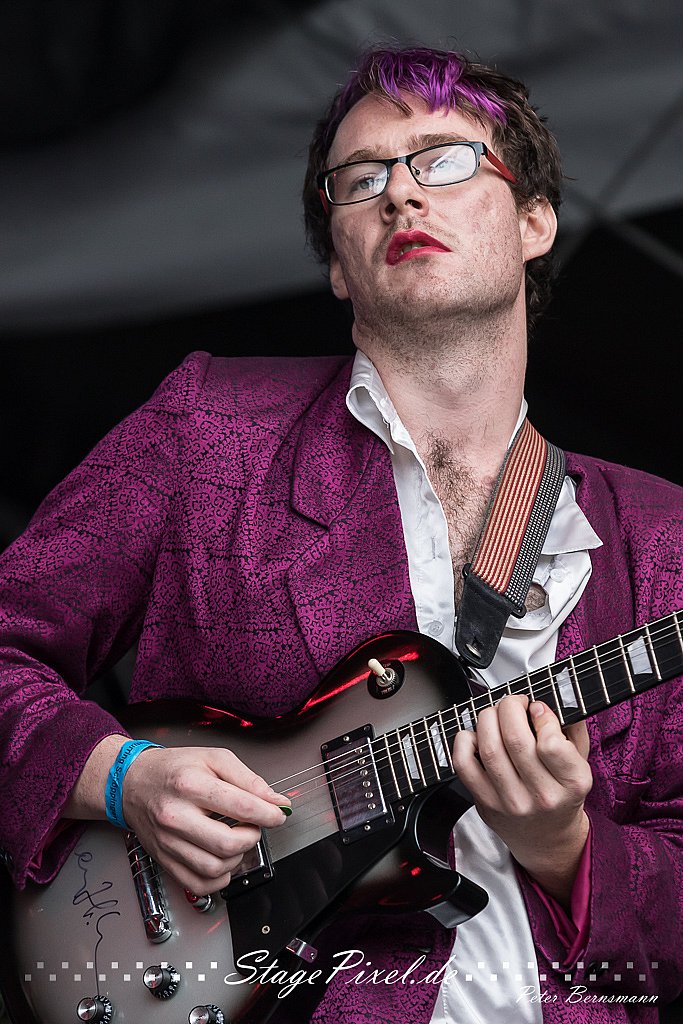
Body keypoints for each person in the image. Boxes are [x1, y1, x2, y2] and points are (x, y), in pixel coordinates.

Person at [0, 45, 681, 1024]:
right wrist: (119, 778)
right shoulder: (210, 428)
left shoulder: (659, 538)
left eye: (444, 160)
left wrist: (565, 846)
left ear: (534, 221)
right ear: (334, 261)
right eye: (359, 180)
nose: (401, 193)